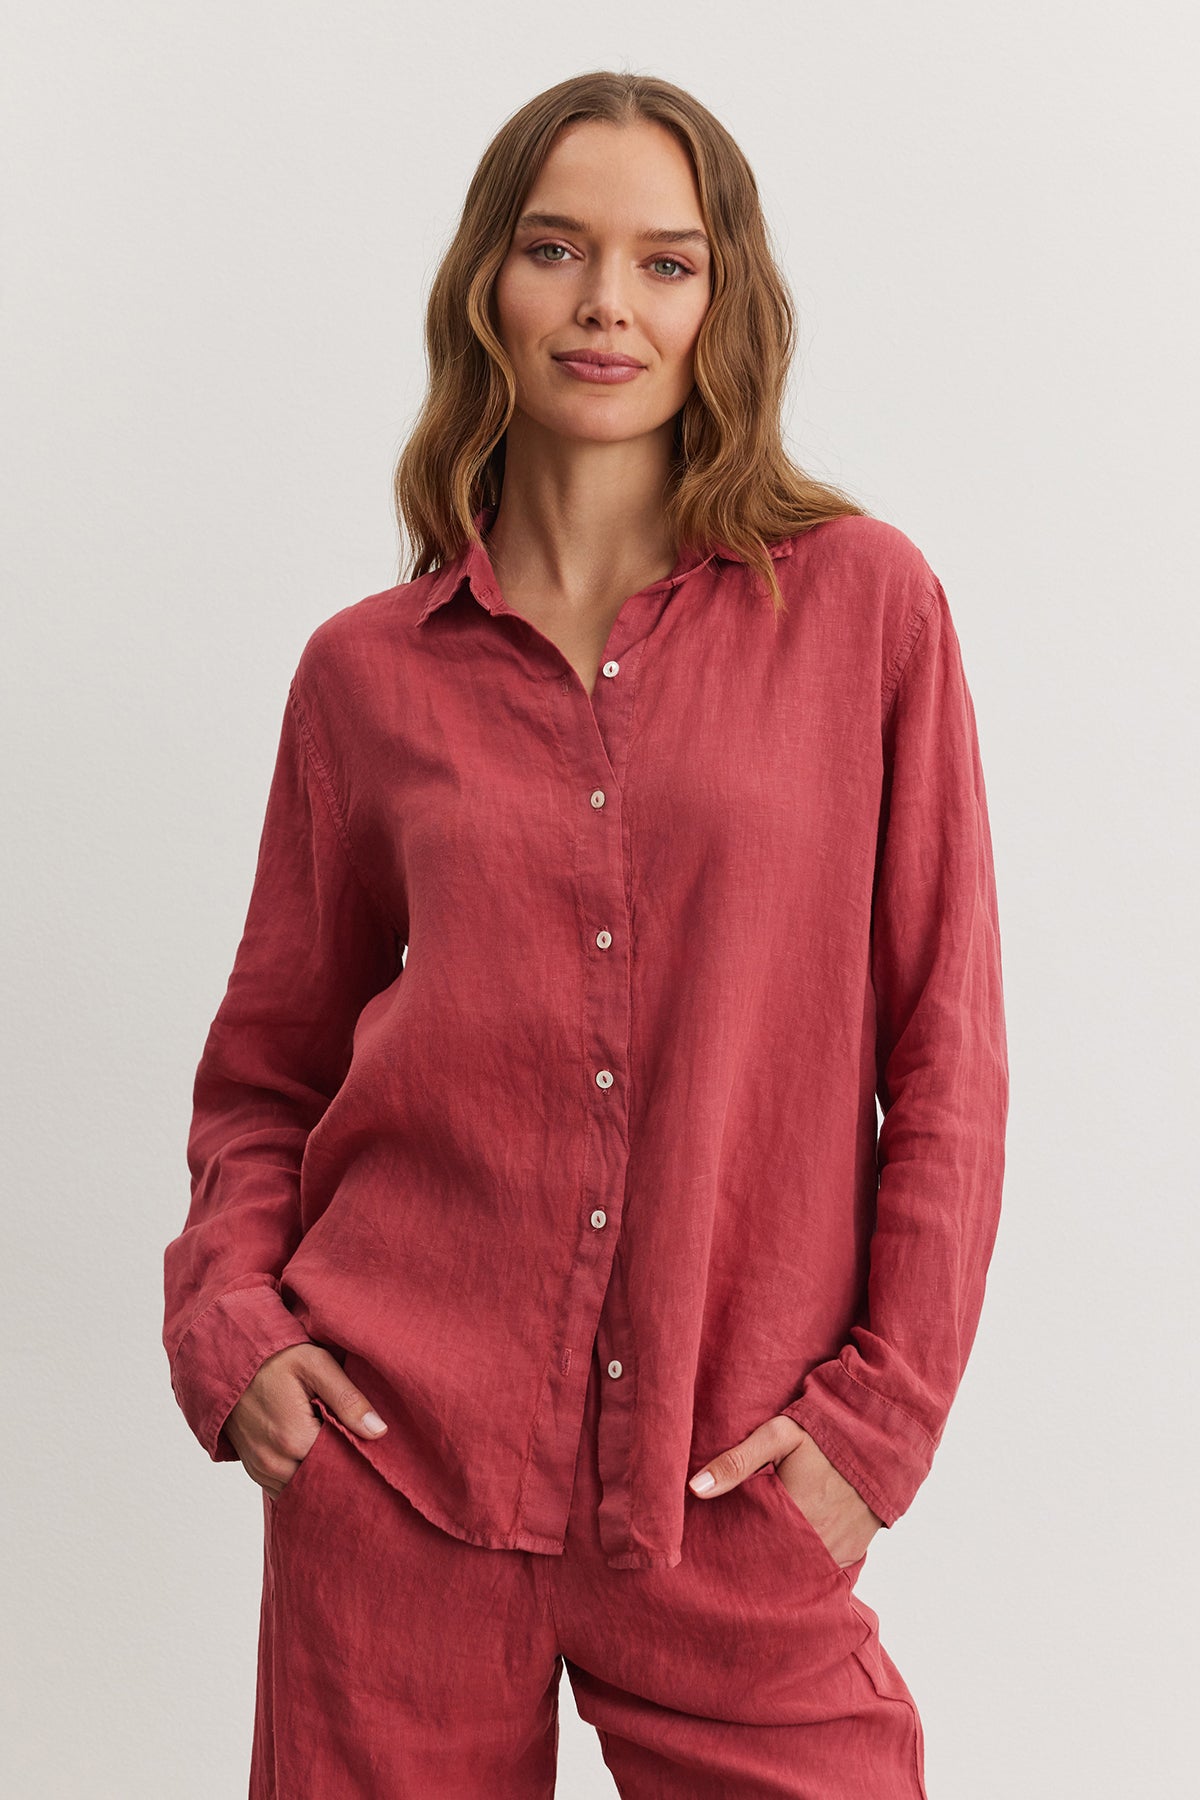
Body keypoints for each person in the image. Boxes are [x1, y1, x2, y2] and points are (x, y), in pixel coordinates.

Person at [162, 68, 1008, 1799]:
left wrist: (876, 1427)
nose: (608, 304)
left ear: (726, 303)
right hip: (396, 1468)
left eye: (666, 263)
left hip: (732, 1487)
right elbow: (268, 1069)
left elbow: (949, 1055)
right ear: (489, 284)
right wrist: (233, 1330)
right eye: (558, 249)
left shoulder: (864, 610)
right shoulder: (365, 674)